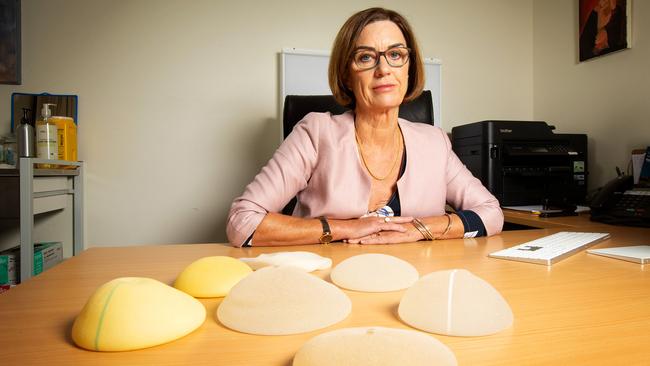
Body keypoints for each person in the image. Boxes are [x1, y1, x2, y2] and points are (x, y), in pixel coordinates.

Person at [227, 7, 503, 247]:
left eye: (395, 54)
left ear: (409, 68)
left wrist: (419, 229)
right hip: (327, 286)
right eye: (366, 57)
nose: (384, 68)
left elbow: (491, 213)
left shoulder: (435, 142)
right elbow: (242, 223)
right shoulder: (316, 133)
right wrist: (346, 228)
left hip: (416, 283)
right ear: (347, 74)